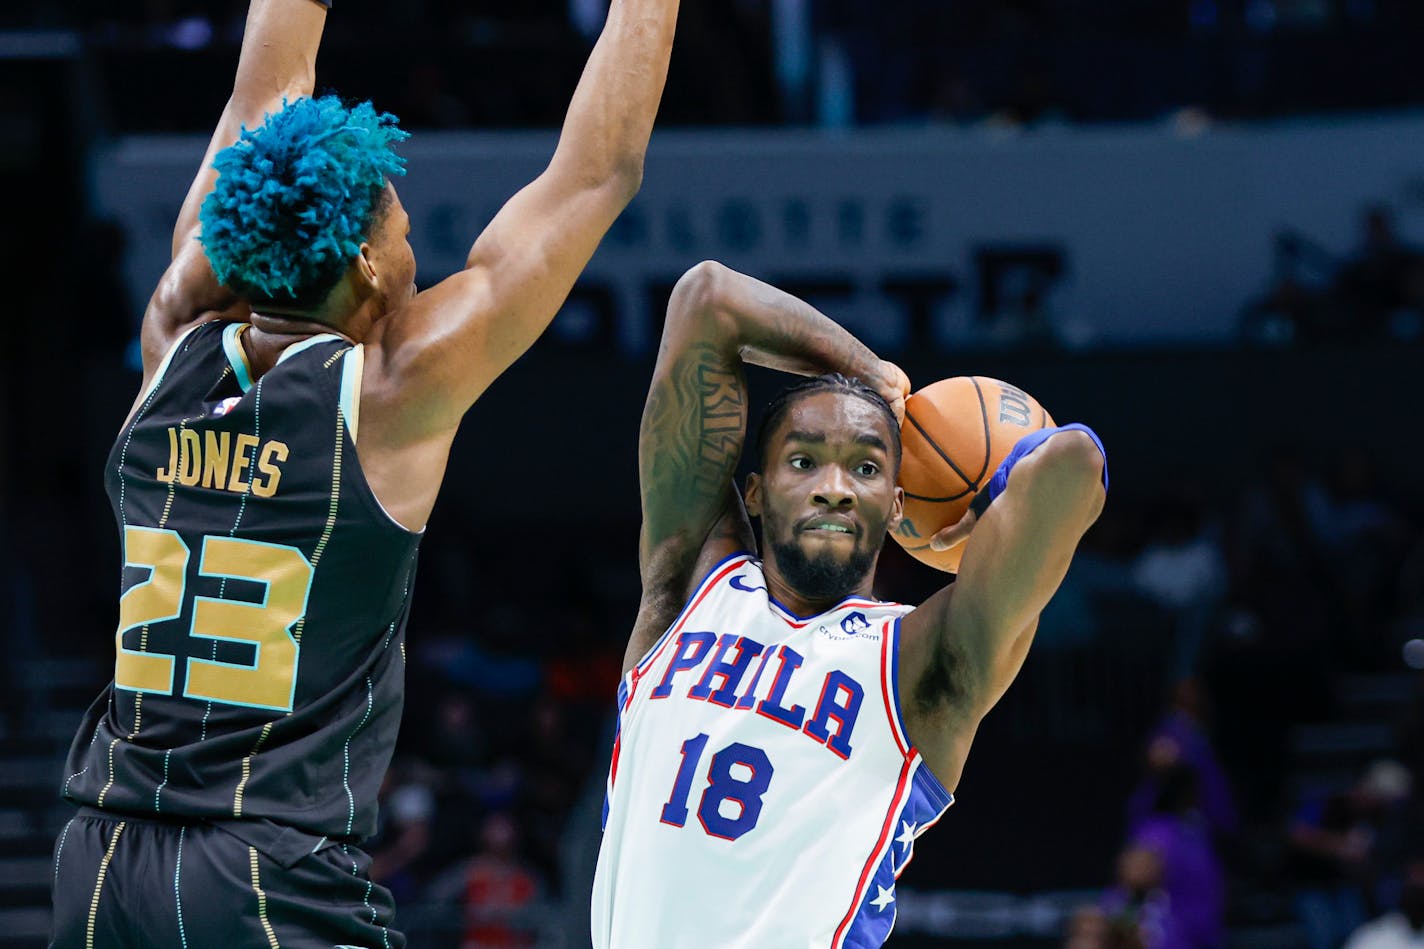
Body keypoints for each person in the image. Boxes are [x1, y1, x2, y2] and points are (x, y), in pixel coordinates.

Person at [50, 0, 681, 943]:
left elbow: (264, 94)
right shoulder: (386, 391)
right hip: (263, 872)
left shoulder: (170, 335)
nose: (415, 247)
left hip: (101, 858)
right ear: (367, 266)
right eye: (402, 231)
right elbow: (598, 170)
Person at [591, 261, 1107, 946]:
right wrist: (872, 374)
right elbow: (707, 298)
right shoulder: (687, 585)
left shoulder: (920, 663)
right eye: (803, 461)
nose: (833, 487)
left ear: (897, 508)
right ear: (754, 492)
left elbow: (1074, 462)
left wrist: (987, 498)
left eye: (865, 467)